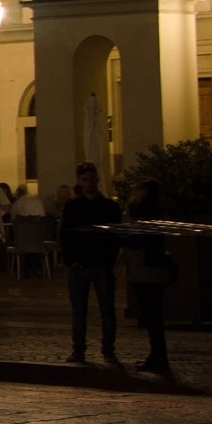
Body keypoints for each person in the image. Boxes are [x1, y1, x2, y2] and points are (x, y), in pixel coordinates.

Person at [58, 161, 122, 366]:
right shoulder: (73, 207)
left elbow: (114, 237)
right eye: (85, 179)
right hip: (80, 266)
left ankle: (108, 350)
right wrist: (71, 261)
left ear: (97, 179)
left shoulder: (110, 207)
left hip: (100, 265)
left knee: (107, 310)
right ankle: (78, 350)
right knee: (79, 310)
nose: (89, 182)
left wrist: (108, 261)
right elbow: (65, 236)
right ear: (79, 181)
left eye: (92, 178)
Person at [121, 178, 175, 379]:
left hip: (147, 270)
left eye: (136, 191)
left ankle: (159, 358)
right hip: (149, 270)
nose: (133, 194)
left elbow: (139, 240)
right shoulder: (155, 213)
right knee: (153, 316)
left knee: (152, 316)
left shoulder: (145, 215)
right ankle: (157, 356)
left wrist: (123, 237)